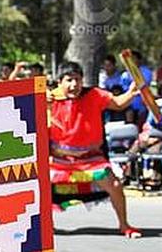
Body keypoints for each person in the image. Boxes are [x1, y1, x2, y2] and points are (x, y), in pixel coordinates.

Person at [49, 62, 142, 238]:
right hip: (58, 162)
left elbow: (118, 103)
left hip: (91, 160)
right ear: (59, 82)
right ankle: (47, 227)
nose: (74, 85)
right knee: (39, 187)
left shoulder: (94, 94)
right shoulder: (48, 99)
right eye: (69, 80)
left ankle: (124, 225)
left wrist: (131, 93)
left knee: (114, 185)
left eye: (77, 79)